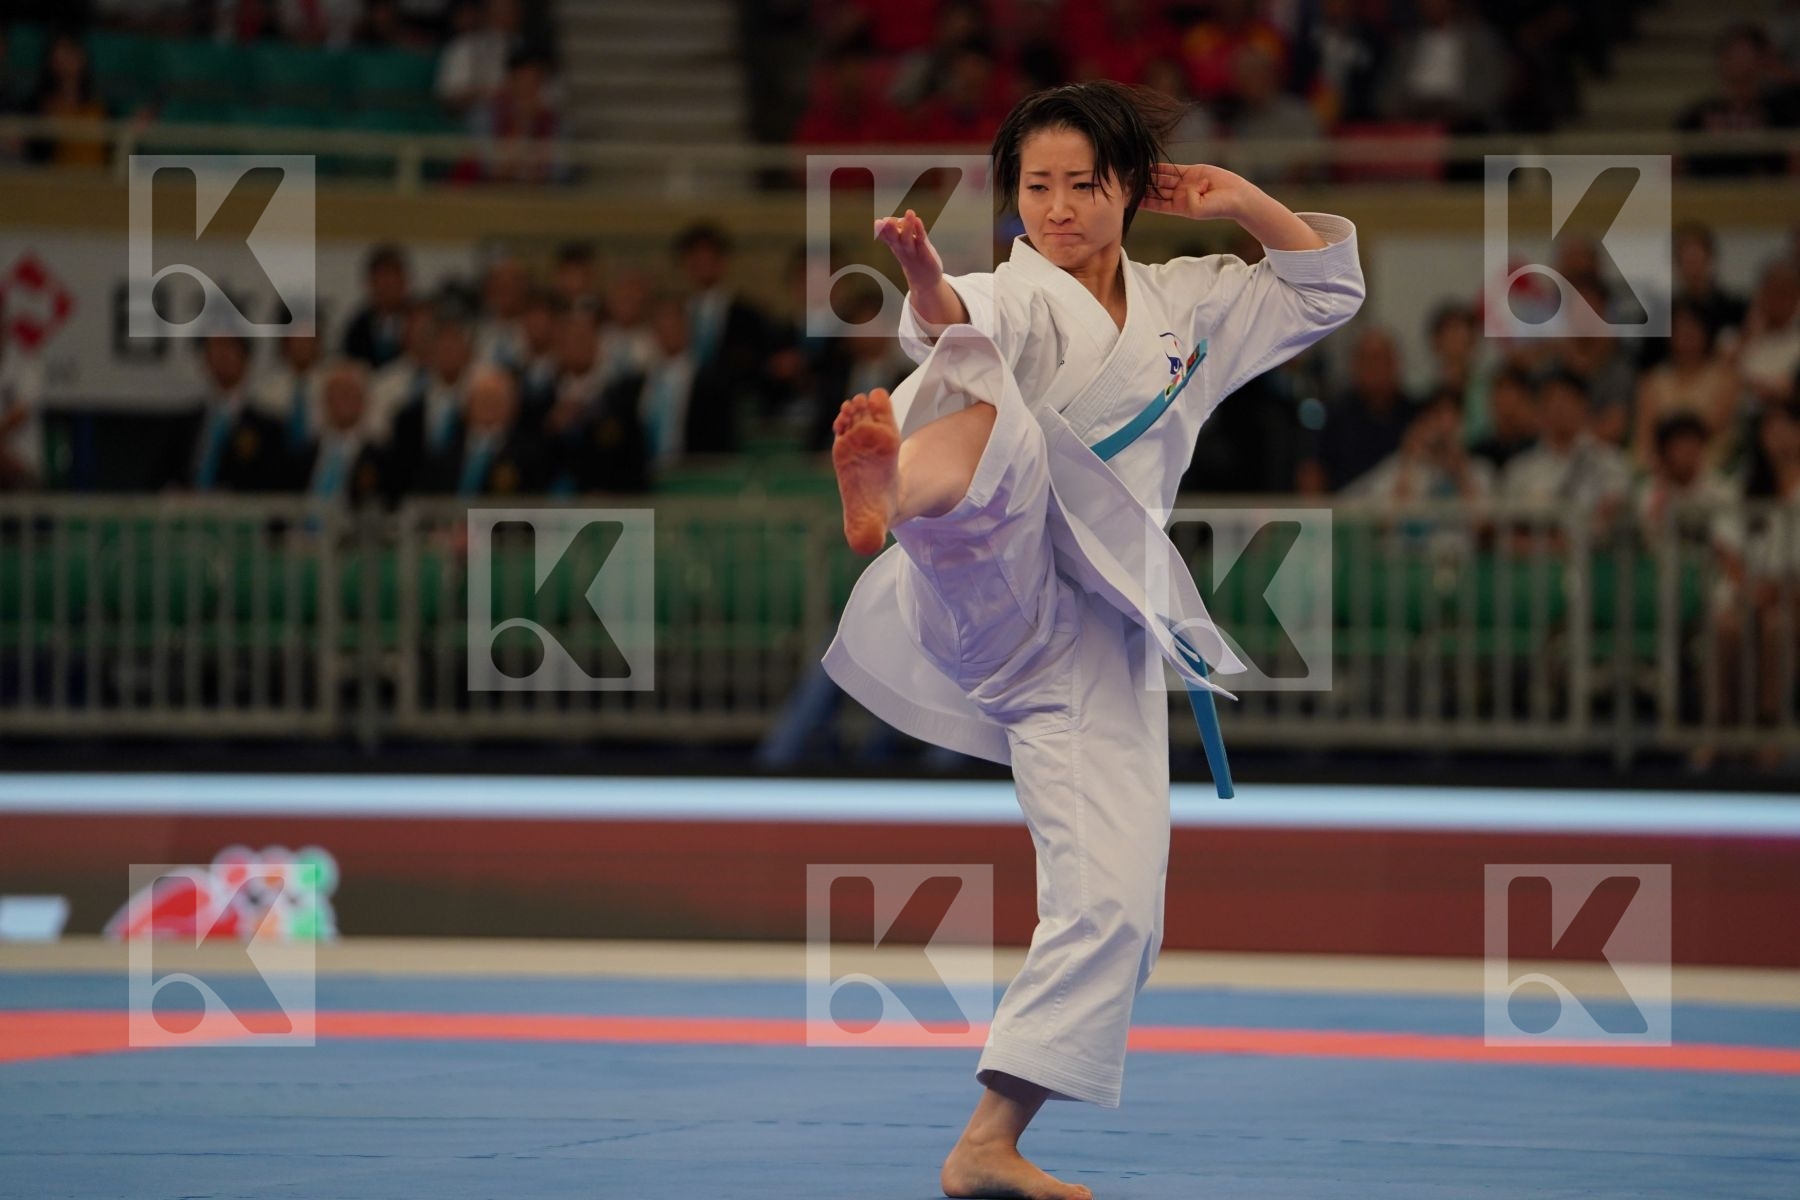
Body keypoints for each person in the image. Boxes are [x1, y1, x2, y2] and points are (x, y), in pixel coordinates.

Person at [820, 81, 1363, 1199]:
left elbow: (1326, 291)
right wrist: (925, 277)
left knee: (1119, 901)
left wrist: (1241, 200)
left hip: (1098, 633)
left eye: (1081, 185)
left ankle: (988, 1144)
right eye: (1035, 188)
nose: (1057, 210)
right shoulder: (1018, 290)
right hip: (985, 586)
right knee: (985, 390)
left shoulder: (1191, 306)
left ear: (1130, 190)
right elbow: (960, 316)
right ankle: (893, 486)